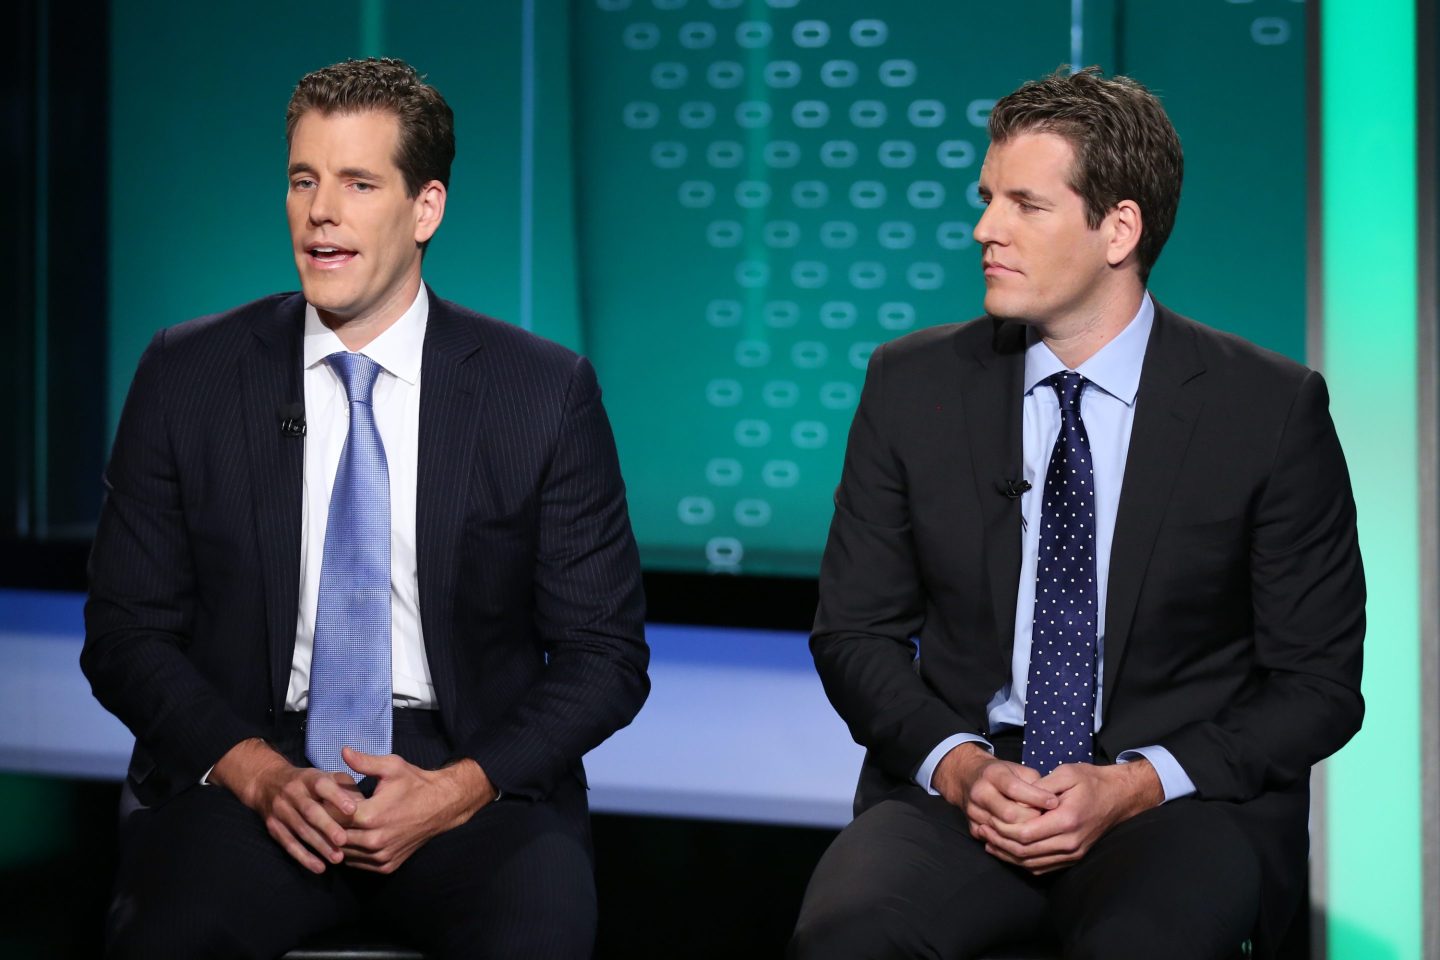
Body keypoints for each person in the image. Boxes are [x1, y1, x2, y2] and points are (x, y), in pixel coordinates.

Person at [789, 67, 1364, 960]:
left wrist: (1134, 785)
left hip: (1174, 801)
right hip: (969, 784)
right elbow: (853, 634)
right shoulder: (913, 386)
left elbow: (1317, 688)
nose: (985, 229)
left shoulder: (1267, 411)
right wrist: (963, 765)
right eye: (988, 200)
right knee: (848, 939)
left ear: (1118, 229)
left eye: (1025, 204)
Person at [82, 57, 648, 959]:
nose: (320, 212)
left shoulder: (540, 393)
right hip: (248, 766)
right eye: (304, 180)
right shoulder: (186, 375)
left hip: (470, 777)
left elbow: (605, 655)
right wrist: (260, 776)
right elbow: (125, 633)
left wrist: (460, 787)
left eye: (356, 182)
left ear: (425, 208)